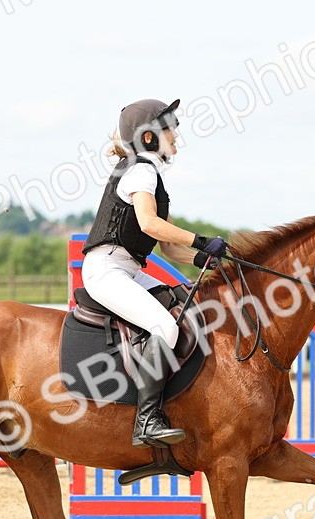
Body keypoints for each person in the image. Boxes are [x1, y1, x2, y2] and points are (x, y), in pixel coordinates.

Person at [81, 98, 227, 448]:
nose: (175, 135)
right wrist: (203, 240)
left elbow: (170, 247)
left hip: (127, 270)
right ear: (149, 138)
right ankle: (146, 421)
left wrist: (201, 258)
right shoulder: (140, 170)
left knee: (181, 306)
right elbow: (149, 223)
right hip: (107, 270)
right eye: (169, 128)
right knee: (165, 325)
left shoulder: (150, 174)